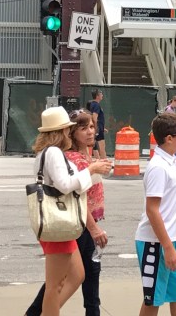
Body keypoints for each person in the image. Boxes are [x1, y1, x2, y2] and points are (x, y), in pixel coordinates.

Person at [27, 107, 112, 316]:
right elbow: (65, 186)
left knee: (75, 276)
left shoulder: (47, 152)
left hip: (58, 222)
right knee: (56, 284)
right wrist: (91, 170)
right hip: (59, 221)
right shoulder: (54, 152)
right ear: (62, 131)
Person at [135, 112, 176, 316]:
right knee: (153, 301)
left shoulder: (169, 162)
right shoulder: (158, 167)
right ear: (169, 139)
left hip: (169, 240)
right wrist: (167, 246)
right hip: (155, 243)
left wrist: (174, 238)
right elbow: (152, 209)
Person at [88, 90, 107, 159]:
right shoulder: (96, 105)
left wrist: (102, 127)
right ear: (97, 96)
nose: (102, 96)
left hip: (99, 127)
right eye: (101, 94)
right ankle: (105, 162)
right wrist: (96, 128)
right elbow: (94, 117)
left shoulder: (93, 104)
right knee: (102, 146)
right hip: (98, 128)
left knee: (94, 145)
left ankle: (98, 160)